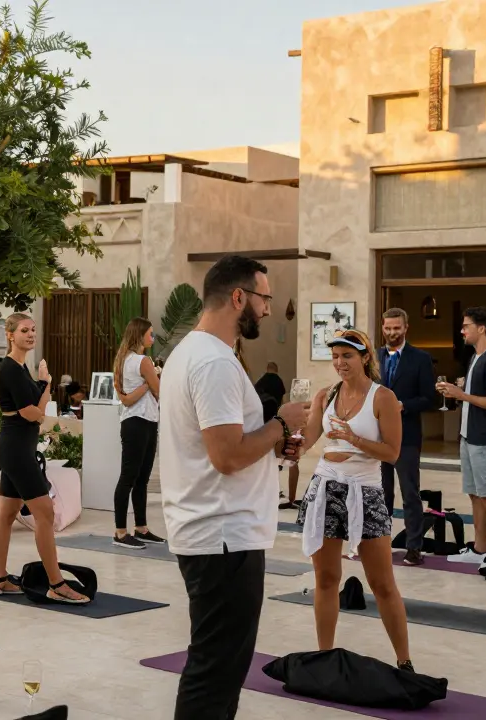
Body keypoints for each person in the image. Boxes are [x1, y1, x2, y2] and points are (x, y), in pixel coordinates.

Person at [159, 255, 309, 720]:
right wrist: (281, 424)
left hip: (214, 529)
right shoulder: (213, 362)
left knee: (220, 666)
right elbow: (225, 456)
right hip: (222, 534)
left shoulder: (195, 353)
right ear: (239, 297)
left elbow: (232, 445)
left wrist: (271, 441)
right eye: (264, 298)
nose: (268, 309)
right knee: (216, 668)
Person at [296, 328, 412, 670]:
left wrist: (355, 438)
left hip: (366, 490)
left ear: (364, 357)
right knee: (326, 579)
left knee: (382, 583)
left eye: (346, 356)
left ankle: (404, 662)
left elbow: (392, 453)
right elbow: (309, 439)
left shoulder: (383, 398)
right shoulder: (326, 394)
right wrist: (287, 444)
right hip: (326, 487)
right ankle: (324, 656)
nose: (339, 363)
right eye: (334, 356)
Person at [0, 313, 90, 603]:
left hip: (17, 448)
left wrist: (42, 387)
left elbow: (36, 408)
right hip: (17, 450)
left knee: (6, 515)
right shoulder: (9, 369)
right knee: (45, 512)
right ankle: (56, 584)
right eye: (24, 330)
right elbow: (33, 413)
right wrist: (45, 386)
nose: (31, 334)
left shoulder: (21, 369)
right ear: (10, 335)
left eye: (33, 330)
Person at [438, 306, 486, 563]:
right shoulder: (476, 357)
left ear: (481, 328)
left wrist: (461, 395)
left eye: (466, 325)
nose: (462, 330)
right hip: (469, 437)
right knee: (475, 494)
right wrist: (462, 388)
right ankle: (480, 549)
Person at [378, 308, 437, 566]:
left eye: (396, 328)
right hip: (376, 437)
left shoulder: (421, 359)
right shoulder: (373, 357)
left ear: (406, 328)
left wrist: (404, 405)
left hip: (407, 437)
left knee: (410, 493)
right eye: (388, 328)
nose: (392, 333)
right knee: (380, 494)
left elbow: (430, 398)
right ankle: (379, 543)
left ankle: (414, 547)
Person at [111, 317, 163, 547]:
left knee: (140, 478)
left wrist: (147, 384)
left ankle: (140, 527)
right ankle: (120, 532)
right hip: (139, 423)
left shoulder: (124, 360)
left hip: (143, 421)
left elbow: (128, 397)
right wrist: (153, 379)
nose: (153, 337)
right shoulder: (143, 361)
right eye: (150, 334)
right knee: (130, 478)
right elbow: (159, 391)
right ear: (140, 335)